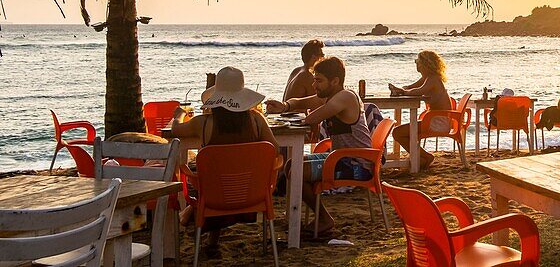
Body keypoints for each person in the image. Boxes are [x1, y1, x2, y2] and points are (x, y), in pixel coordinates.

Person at [265, 56, 381, 238]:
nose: (314, 85)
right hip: (341, 158)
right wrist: (285, 105)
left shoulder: (345, 96)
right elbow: (302, 102)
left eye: (319, 81)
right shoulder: (332, 96)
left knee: (297, 170)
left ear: (335, 81)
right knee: (290, 165)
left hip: (357, 164)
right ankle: (301, 217)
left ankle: (323, 218)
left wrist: (311, 120)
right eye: (314, 80)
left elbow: (313, 116)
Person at [170, 67, 279, 257]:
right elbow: (275, 149)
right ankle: (209, 236)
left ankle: (193, 216)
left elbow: (176, 131)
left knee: (214, 176)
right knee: (230, 172)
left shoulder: (202, 123)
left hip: (214, 197)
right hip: (253, 194)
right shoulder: (256, 121)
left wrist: (178, 114)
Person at [388, 50, 451, 169]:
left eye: (417, 61)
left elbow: (417, 92)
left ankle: (425, 157)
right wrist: (401, 90)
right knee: (400, 132)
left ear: (425, 64)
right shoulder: (427, 78)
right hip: (434, 120)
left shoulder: (433, 79)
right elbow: (411, 87)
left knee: (397, 133)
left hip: (438, 122)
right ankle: (420, 157)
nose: (416, 64)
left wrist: (403, 92)